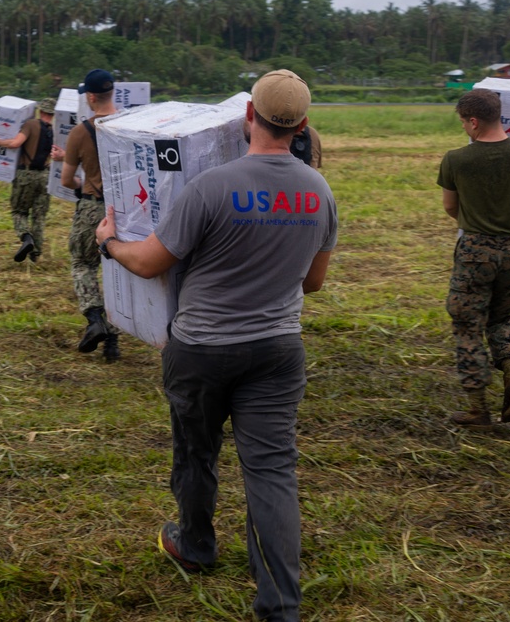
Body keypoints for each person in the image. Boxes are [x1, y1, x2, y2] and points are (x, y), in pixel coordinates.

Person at [95, 70, 337, 622]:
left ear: (248, 115)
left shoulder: (211, 186)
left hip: (201, 350)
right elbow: (313, 283)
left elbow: (149, 262)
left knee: (196, 451)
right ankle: (280, 605)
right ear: (301, 124)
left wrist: (108, 242)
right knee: (271, 471)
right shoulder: (319, 191)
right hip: (277, 350)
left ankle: (196, 544)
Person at [438, 88, 510, 427]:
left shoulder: (456, 159)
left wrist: (475, 222)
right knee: (502, 316)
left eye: (464, 122)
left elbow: (450, 206)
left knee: (467, 324)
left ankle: (478, 408)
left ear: (474, 121)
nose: (465, 127)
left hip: (476, 251)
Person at [53, 69, 120, 361]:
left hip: (94, 208)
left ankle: (95, 320)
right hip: (129, 210)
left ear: (90, 97)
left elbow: (67, 180)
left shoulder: (80, 132)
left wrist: (83, 180)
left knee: (82, 262)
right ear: (112, 93)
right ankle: (113, 342)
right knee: (117, 273)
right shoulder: (130, 125)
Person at [0, 97, 55, 262]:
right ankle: (35, 254)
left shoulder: (31, 124)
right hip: (46, 176)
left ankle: (26, 237)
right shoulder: (55, 131)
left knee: (19, 211)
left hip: (26, 175)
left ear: (40, 110)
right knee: (39, 215)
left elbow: (16, 143)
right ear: (53, 114)